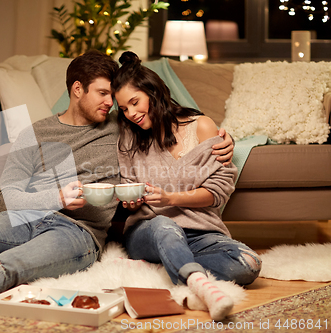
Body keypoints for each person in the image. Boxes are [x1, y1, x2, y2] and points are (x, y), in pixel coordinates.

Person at [0, 50, 235, 325]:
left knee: (8, 264)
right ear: (76, 89)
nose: (111, 104)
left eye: (113, 97)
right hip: (30, 215)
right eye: (102, 94)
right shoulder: (36, 132)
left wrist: (223, 137)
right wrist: (55, 196)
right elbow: (7, 198)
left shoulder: (118, 126)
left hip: (78, 231)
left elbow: (162, 118)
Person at [112, 51, 261, 321]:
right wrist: (131, 200)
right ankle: (202, 289)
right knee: (165, 227)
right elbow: (128, 187)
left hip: (200, 232)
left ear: (153, 92)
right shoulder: (129, 139)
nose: (131, 113)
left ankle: (165, 263)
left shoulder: (201, 127)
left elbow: (218, 191)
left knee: (249, 265)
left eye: (135, 102)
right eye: (124, 108)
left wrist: (171, 198)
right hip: (149, 230)